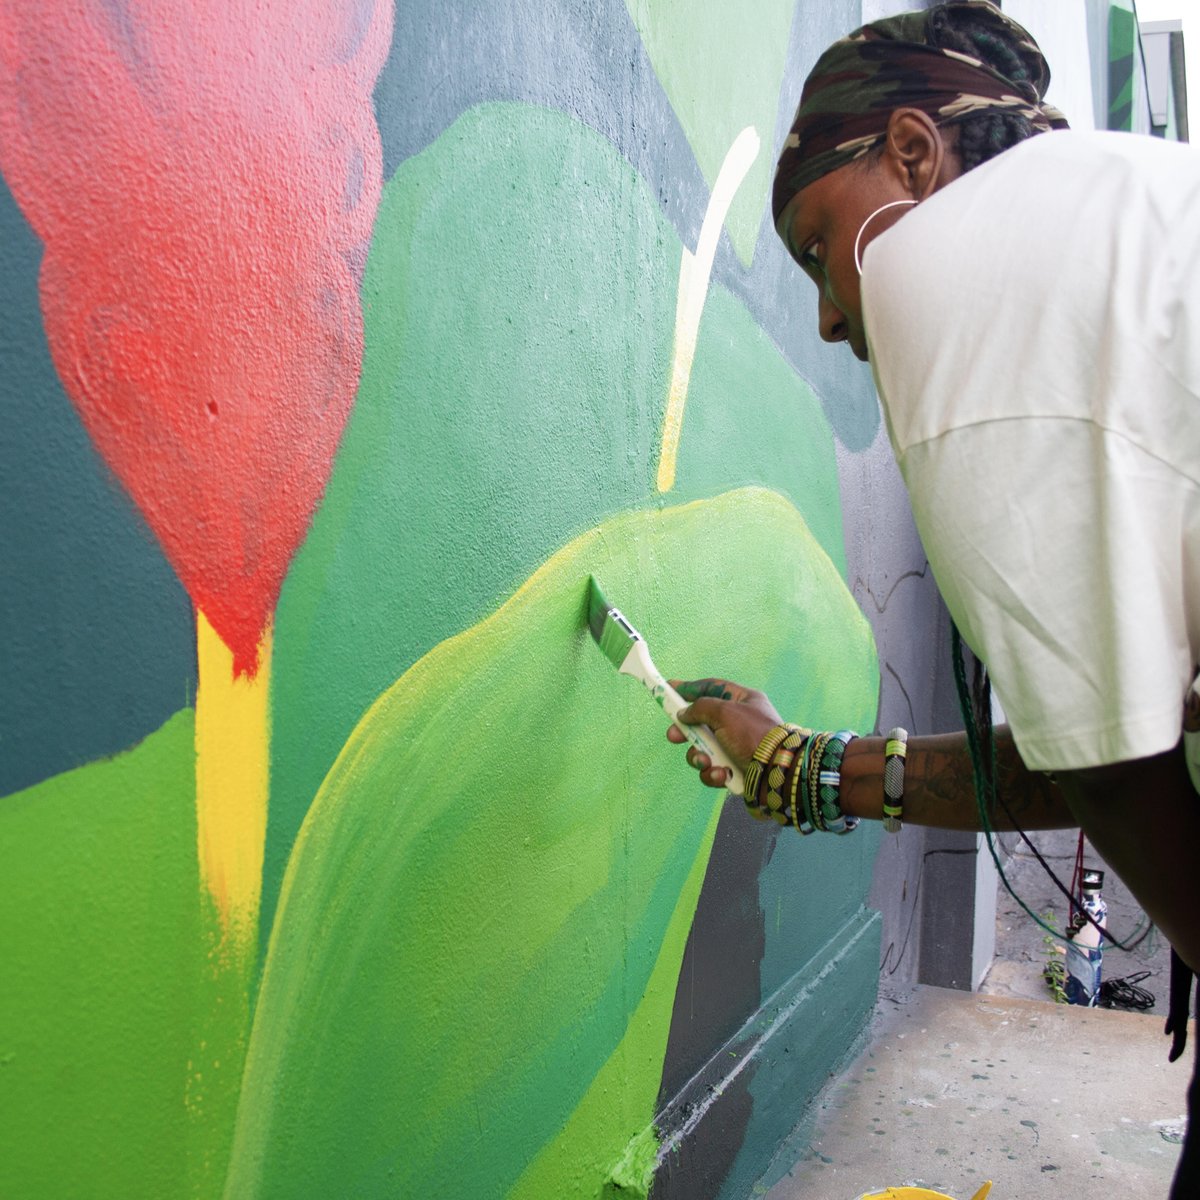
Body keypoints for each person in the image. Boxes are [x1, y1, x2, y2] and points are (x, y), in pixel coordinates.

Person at [665, 2, 1200, 1195]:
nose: (829, 315)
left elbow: (1112, 774)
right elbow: (1098, 751)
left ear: (916, 154)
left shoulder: (952, 288)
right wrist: (805, 766)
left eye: (817, 246)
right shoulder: (1123, 209)